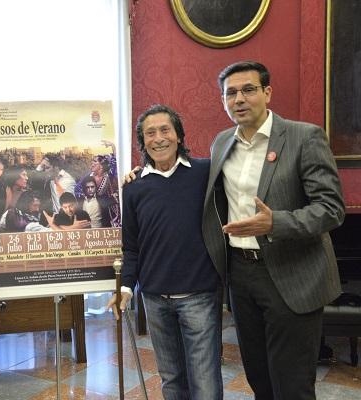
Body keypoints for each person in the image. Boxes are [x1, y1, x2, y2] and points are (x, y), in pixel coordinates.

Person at [202, 61, 345, 399]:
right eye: (230, 93)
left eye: (248, 89)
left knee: (292, 384)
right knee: (259, 376)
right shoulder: (222, 143)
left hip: (292, 273)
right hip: (241, 275)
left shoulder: (304, 136)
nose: (239, 98)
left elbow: (331, 209)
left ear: (267, 92)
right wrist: (143, 173)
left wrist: (276, 223)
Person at [109, 104, 223, 400]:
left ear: (179, 136)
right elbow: (131, 245)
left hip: (199, 295)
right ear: (142, 142)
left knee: (205, 380)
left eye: (165, 130)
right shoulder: (134, 187)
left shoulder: (205, 172)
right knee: (171, 380)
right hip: (155, 298)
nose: (158, 138)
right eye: (150, 133)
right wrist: (126, 286)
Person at [75, 140, 121, 227]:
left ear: (101, 165)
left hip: (107, 211)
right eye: (92, 161)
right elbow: (77, 189)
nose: (92, 163)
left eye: (95, 161)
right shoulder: (88, 177)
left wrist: (113, 146)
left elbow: (115, 162)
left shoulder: (109, 176)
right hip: (90, 210)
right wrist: (84, 197)